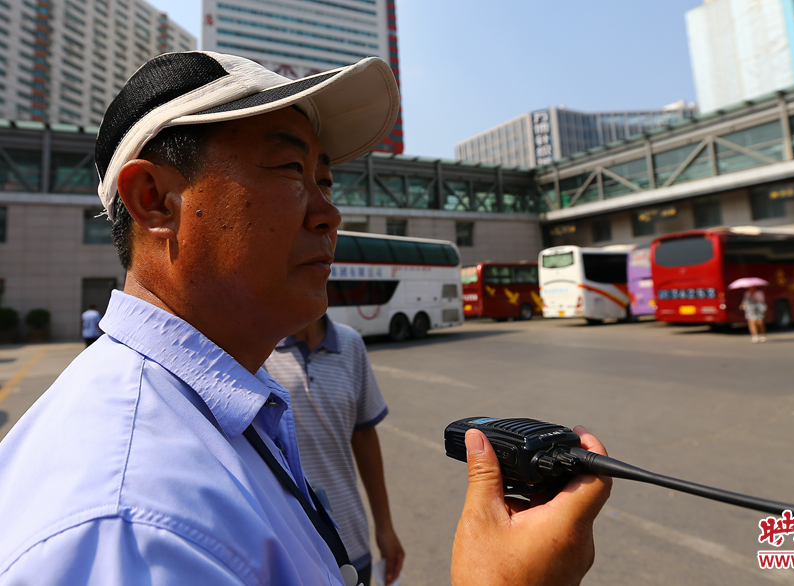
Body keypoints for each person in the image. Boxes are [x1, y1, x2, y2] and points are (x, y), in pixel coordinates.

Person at [0, 51, 611, 586]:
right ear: (155, 200)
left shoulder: (223, 399)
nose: (330, 214)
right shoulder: (128, 523)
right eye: (291, 170)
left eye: (325, 179)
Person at [265, 315, 404, 585]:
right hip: (292, 551)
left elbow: (363, 435)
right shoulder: (258, 347)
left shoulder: (350, 343)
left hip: (350, 540)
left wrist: (385, 526)